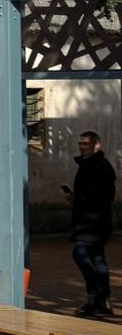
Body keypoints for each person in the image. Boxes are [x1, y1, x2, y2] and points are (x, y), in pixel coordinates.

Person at [69, 130, 115, 317]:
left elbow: (105, 196)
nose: (81, 147)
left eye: (85, 144)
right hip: (88, 222)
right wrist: (75, 199)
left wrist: (80, 200)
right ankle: (102, 301)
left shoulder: (101, 167)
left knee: (80, 254)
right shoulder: (87, 164)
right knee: (98, 260)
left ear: (97, 145)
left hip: (94, 223)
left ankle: (96, 297)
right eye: (80, 144)